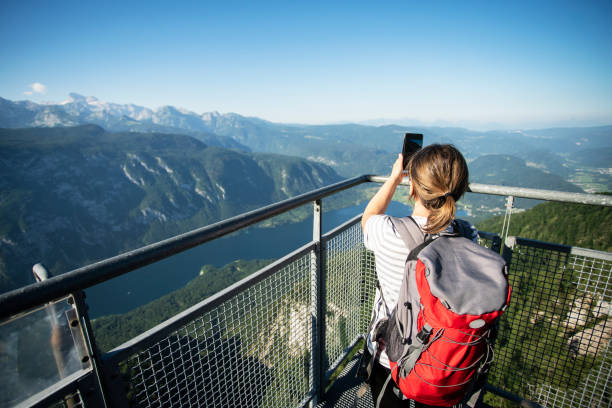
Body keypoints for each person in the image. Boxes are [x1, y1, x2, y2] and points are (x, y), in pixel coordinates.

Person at [361, 144, 477, 407]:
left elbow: (369, 217)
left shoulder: (387, 232)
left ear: (412, 187)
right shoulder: (469, 235)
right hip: (443, 360)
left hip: (391, 354)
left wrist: (393, 178)